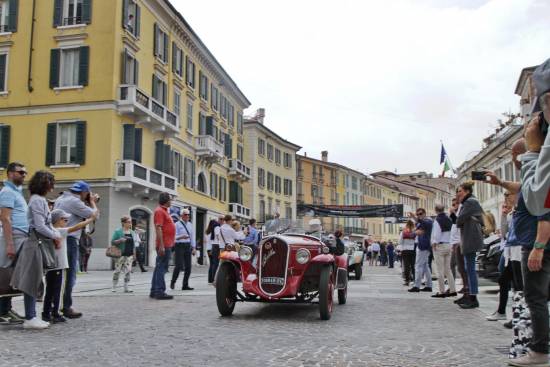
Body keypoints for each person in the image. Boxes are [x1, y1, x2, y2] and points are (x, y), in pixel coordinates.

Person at [54, 180, 98, 318]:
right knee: (69, 275)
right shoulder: (75, 202)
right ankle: (65, 307)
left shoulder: (61, 198)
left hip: (60, 237)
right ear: (84, 192)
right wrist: (93, 202)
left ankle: (57, 306)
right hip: (70, 239)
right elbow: (95, 215)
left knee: (60, 274)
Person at [44, 209, 94, 323]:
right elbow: (75, 227)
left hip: (51, 266)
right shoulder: (59, 231)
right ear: (58, 220)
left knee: (49, 291)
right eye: (65, 220)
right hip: (60, 266)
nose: (67, 222)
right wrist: (90, 220)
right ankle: (56, 313)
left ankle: (46, 313)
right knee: (58, 292)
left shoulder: (48, 230)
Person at [0, 162, 29, 326]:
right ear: (10, 173)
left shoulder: (16, 192)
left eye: (25, 173)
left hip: (20, 235)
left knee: (12, 275)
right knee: (5, 273)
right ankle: (3, 310)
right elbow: (5, 218)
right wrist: (10, 243)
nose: (24, 175)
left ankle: (6, 309)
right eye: (21, 172)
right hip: (14, 236)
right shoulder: (7, 192)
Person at [456, 181, 484, 309]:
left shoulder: (470, 202)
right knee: (468, 268)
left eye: (460, 191)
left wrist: (456, 216)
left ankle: (473, 298)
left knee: (470, 269)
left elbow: (459, 220)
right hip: (468, 237)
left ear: (467, 191)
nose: (458, 194)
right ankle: (470, 295)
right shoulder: (468, 202)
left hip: (470, 238)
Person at [150, 193, 176, 300]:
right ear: (166, 200)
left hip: (166, 244)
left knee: (159, 267)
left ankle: (154, 291)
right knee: (162, 268)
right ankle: (160, 291)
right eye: (170, 199)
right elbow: (159, 228)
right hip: (164, 244)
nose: (171, 201)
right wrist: (161, 246)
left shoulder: (163, 211)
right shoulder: (159, 211)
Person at [430, 204, 456, 298]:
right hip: (448, 244)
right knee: (448, 269)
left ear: (436, 210)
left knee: (439, 270)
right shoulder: (449, 219)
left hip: (440, 245)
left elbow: (436, 234)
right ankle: (453, 289)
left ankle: (442, 291)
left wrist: (434, 243)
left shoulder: (437, 220)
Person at [111, 215, 140, 293]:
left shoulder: (132, 232)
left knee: (128, 271)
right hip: (120, 254)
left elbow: (133, 244)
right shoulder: (118, 231)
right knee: (117, 271)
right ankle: (114, 286)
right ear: (123, 223)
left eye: (130, 222)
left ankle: (126, 287)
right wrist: (120, 240)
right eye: (128, 222)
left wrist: (134, 254)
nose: (130, 224)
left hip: (129, 255)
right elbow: (113, 241)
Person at [408, 208, 433, 293]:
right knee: (425, 266)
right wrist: (415, 232)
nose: (419, 215)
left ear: (425, 213)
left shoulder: (428, 221)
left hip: (424, 246)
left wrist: (414, 218)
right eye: (418, 214)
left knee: (418, 266)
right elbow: (413, 234)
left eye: (420, 213)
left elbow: (424, 223)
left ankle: (416, 286)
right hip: (421, 245)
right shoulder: (420, 223)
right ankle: (429, 285)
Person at [171, 209, 195, 291]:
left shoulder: (190, 225)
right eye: (185, 214)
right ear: (181, 215)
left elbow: (192, 237)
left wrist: (194, 247)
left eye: (188, 214)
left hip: (187, 245)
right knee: (179, 265)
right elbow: (173, 237)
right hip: (179, 245)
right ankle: (173, 281)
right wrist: (181, 237)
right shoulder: (176, 224)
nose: (187, 216)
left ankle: (185, 285)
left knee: (188, 266)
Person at [449, 196, 468, 299]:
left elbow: (459, 225)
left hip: (458, 243)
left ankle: (465, 286)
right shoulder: (454, 215)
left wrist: (453, 214)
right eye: (452, 205)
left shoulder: (459, 214)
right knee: (454, 265)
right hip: (454, 243)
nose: (453, 206)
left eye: (455, 204)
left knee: (461, 267)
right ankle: (456, 286)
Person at [399, 220, 416, 286]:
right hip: (413, 250)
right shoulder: (414, 232)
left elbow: (400, 242)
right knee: (413, 265)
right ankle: (415, 280)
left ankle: (407, 281)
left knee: (406, 266)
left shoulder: (403, 232)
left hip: (405, 250)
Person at [205, 218, 221, 284]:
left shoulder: (207, 232)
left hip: (208, 249)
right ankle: (213, 278)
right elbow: (212, 241)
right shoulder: (213, 232)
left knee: (211, 264)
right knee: (215, 264)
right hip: (212, 248)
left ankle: (210, 279)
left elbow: (206, 241)